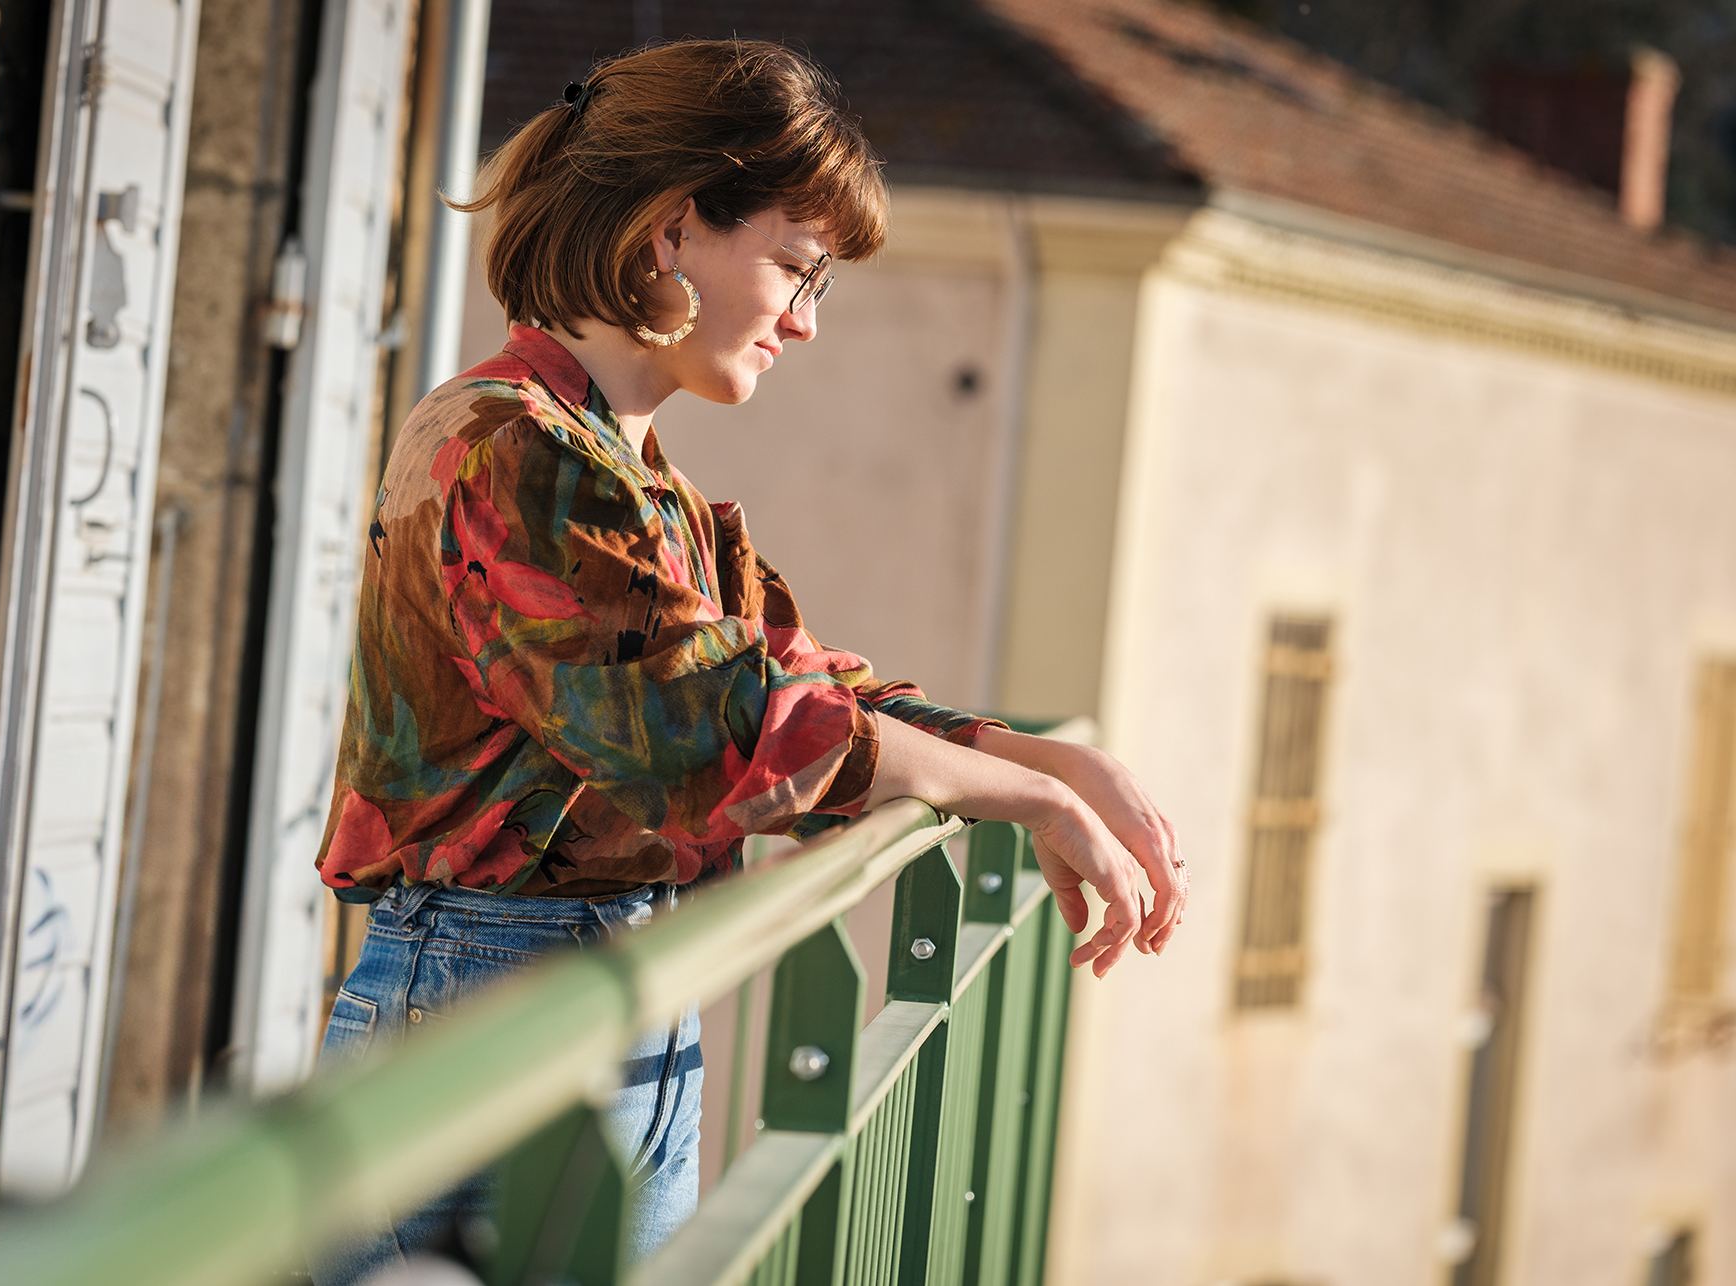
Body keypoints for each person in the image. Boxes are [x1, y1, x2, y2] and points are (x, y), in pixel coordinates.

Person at [307, 37, 1186, 1283]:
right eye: (796, 265)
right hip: (487, 1010)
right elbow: (709, 729)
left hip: (589, 997)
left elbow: (798, 684)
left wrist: (1035, 751)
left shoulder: (633, 477)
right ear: (672, 232)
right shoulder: (511, 449)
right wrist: (1020, 793)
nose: (809, 322)